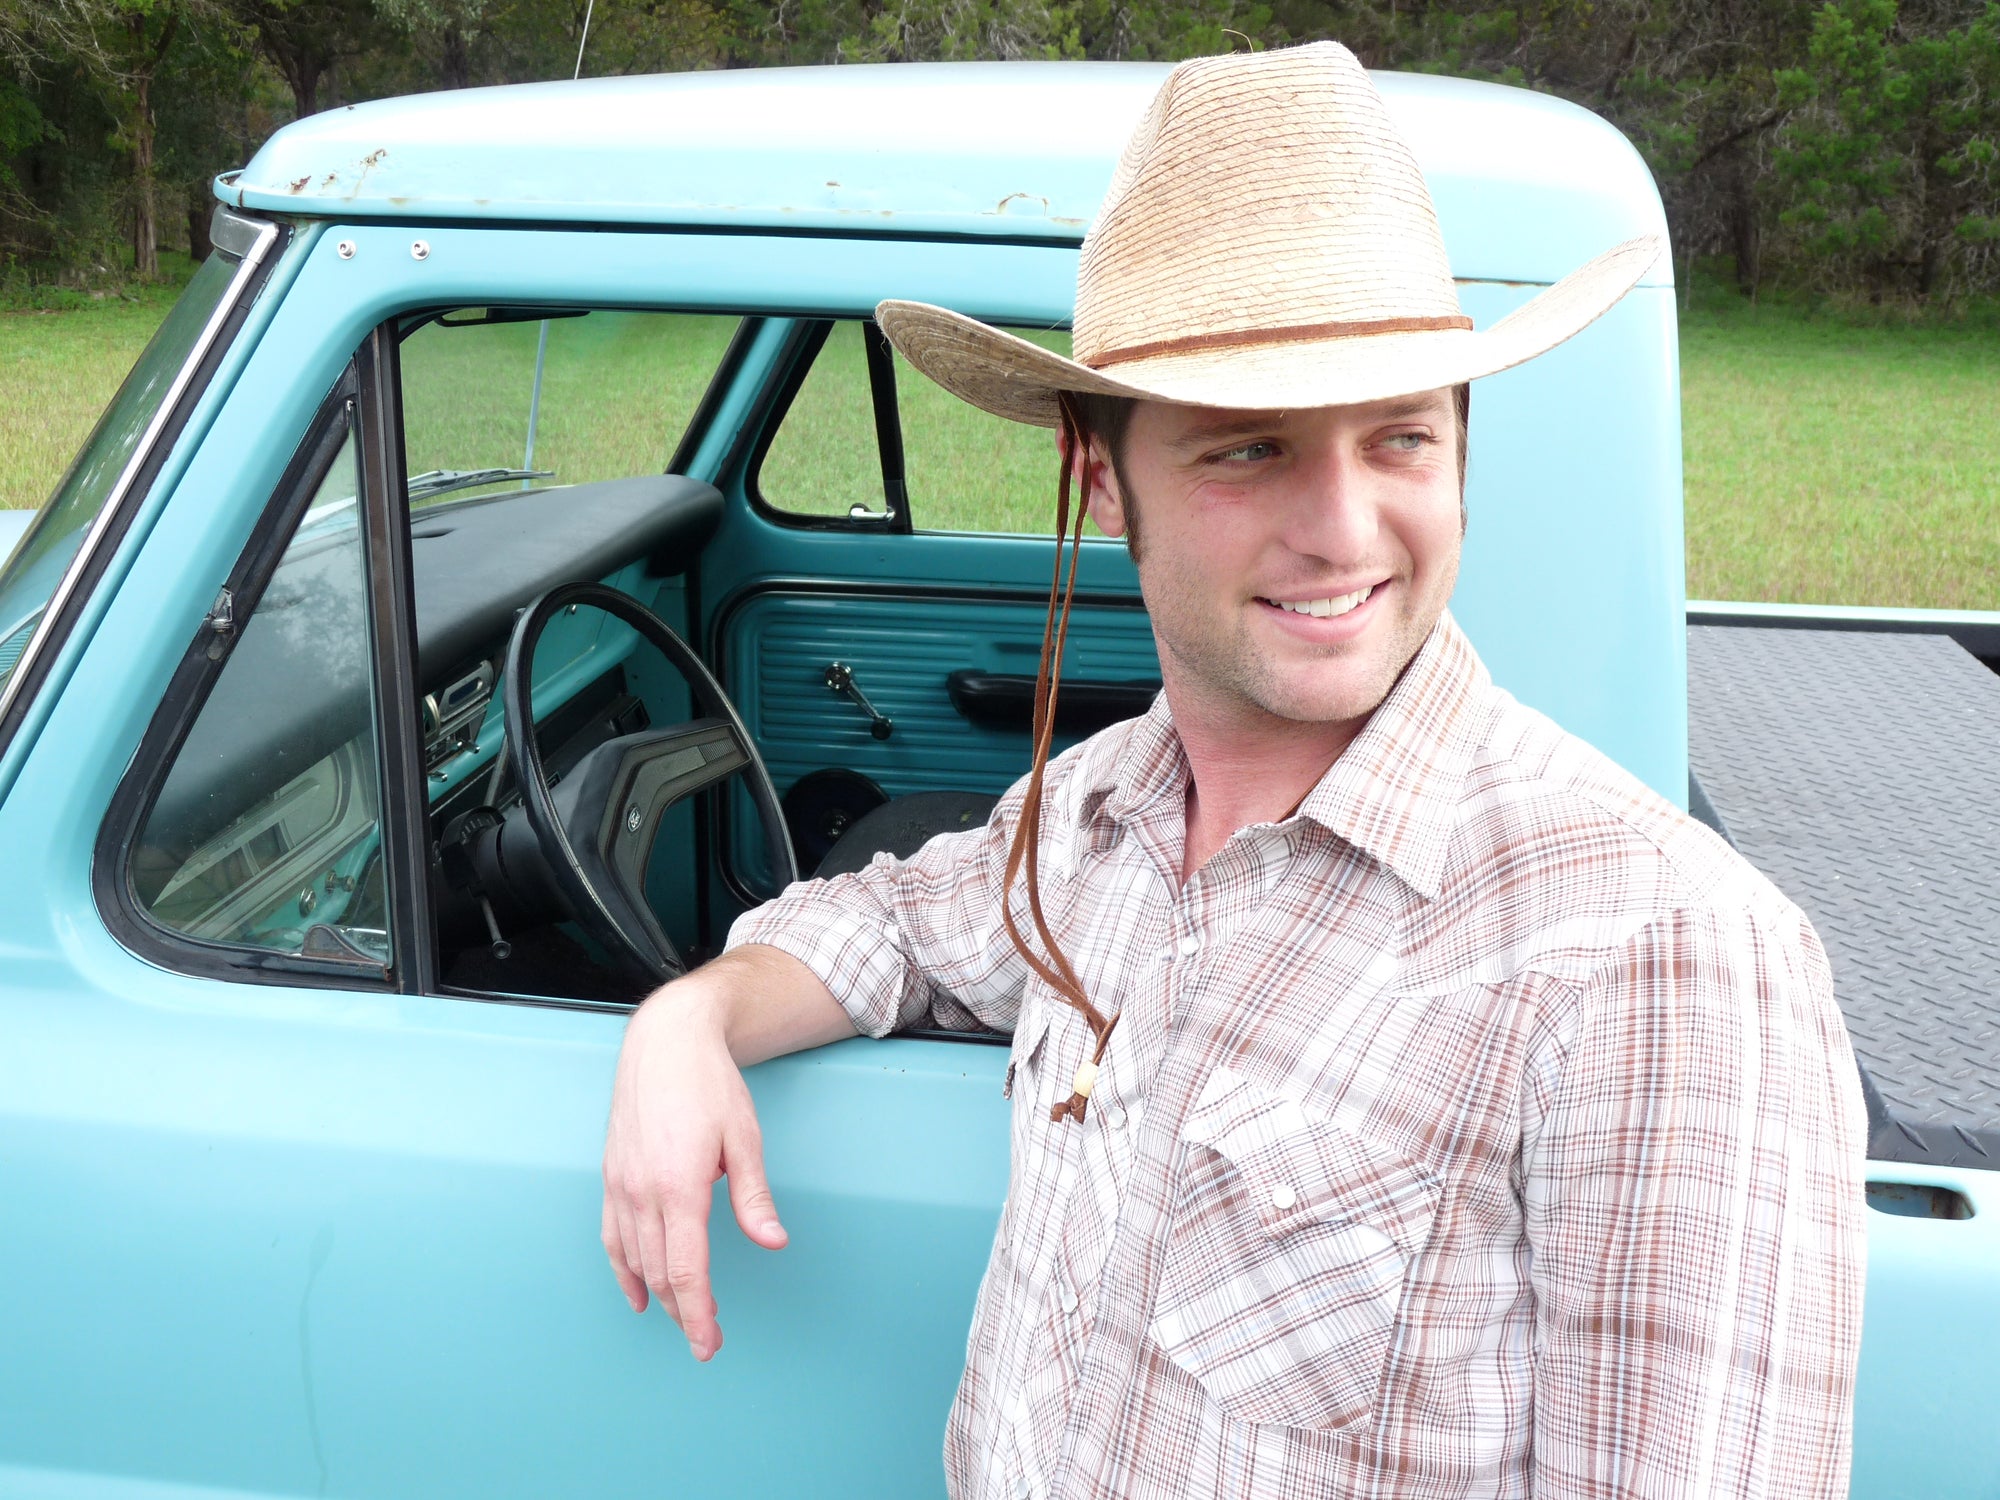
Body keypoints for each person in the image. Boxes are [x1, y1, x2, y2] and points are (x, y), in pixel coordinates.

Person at [601, 40, 1866, 1500]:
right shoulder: (1101, 809)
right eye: (1249, 449)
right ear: (1097, 470)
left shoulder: (1657, 953)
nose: (1342, 531)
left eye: (1400, 436)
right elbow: (894, 925)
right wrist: (688, 1024)